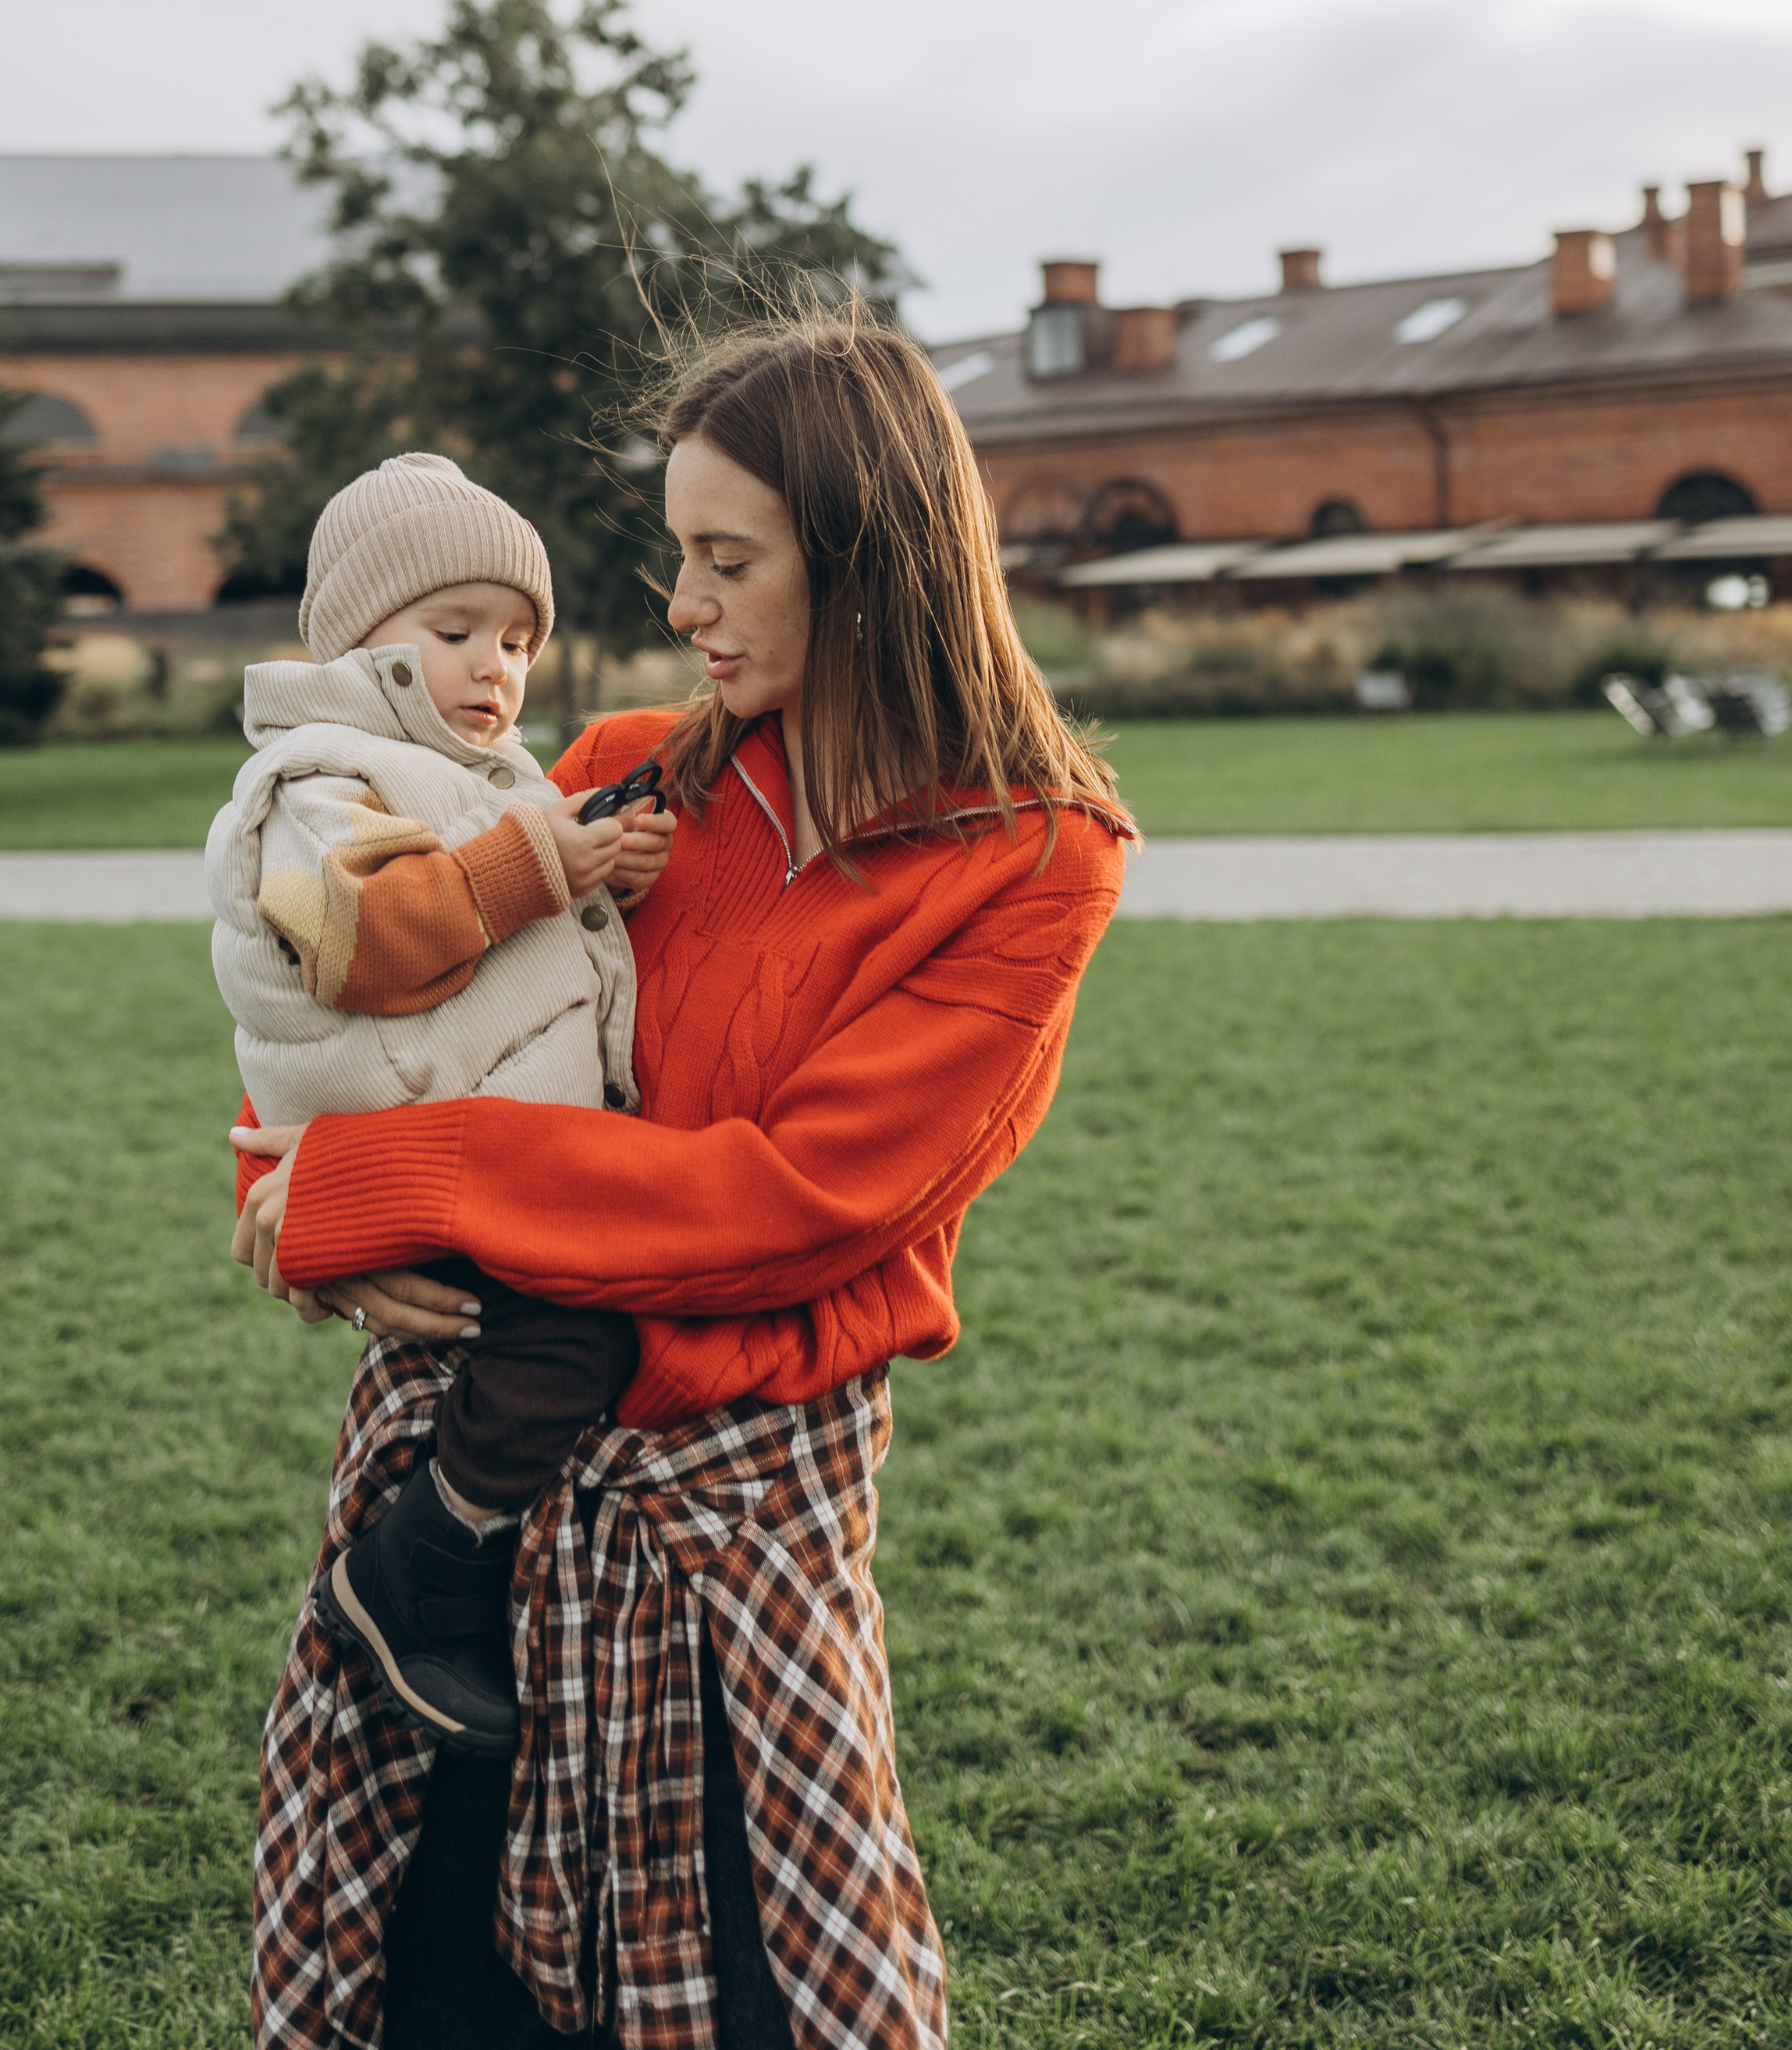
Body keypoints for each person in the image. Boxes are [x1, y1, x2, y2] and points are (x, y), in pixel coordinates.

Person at [232, 317, 1135, 2050]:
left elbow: (791, 1203)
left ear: (868, 564)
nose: (681, 602)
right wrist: (283, 1187)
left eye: (727, 560)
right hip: (459, 1533)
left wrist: (371, 1185)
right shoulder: (617, 779)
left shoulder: (1031, 861)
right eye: (677, 557)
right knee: (428, 1994)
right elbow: (370, 985)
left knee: (755, 1998)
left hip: (733, 1540)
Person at [212, 450, 670, 1753]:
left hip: (456, 1135)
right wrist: (544, 859)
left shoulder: (474, 780)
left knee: (577, 1332)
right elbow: (370, 935)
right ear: (356, 641)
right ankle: (424, 1568)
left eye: (520, 640)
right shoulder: (312, 780)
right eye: (456, 630)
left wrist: (597, 872)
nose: (496, 669)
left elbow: (503, 942)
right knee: (570, 1338)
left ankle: (448, 1562)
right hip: (412, 1148)